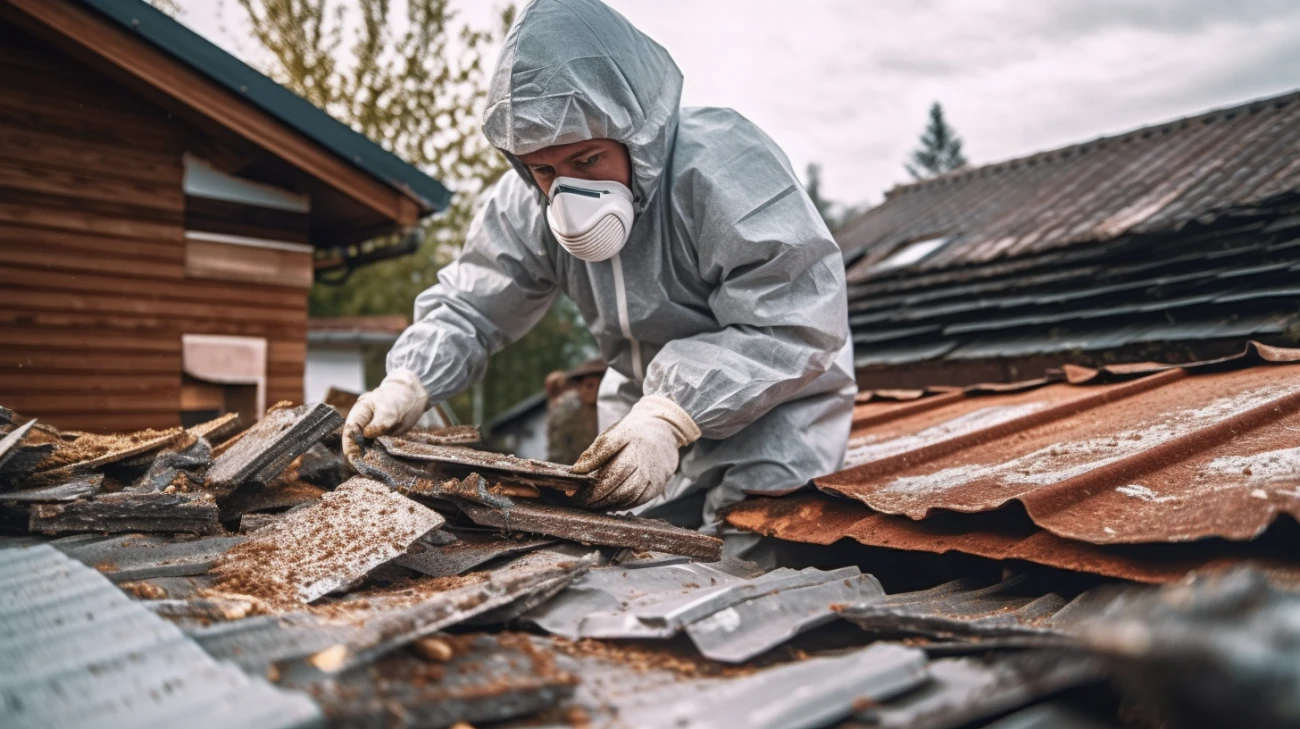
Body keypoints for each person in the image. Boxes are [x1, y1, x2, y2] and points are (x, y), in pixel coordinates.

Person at [344, 0, 855, 552]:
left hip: (775, 404)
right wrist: (410, 382)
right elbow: (472, 305)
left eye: (588, 160)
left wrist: (671, 414)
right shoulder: (525, 205)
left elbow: (792, 319)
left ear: (639, 133)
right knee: (635, 561)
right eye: (543, 168)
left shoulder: (721, 168)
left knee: (753, 565)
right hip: (640, 409)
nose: (567, 193)